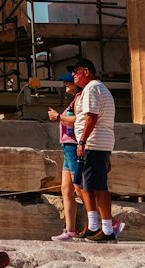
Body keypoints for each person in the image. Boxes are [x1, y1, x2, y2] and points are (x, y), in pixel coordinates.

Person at [72, 58, 118, 243]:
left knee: (99, 186)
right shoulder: (95, 88)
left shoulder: (92, 88)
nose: (73, 74)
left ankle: (107, 229)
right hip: (98, 143)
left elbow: (91, 117)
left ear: (86, 71)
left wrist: (82, 141)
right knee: (87, 185)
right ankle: (93, 225)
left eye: (76, 71)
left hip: (94, 143)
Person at [49, 76, 80, 241]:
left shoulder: (80, 99)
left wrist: (58, 117)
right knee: (66, 190)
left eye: (69, 81)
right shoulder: (74, 100)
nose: (66, 84)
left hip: (74, 147)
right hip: (67, 148)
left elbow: (79, 120)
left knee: (80, 188)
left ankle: (106, 223)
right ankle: (70, 230)